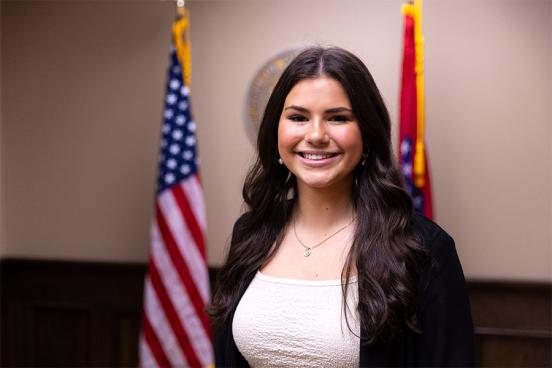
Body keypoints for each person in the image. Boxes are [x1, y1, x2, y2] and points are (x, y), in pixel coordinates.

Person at [208, 46, 475, 367]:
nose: (316, 135)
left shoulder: (422, 248)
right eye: (298, 117)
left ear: (367, 133)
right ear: (276, 131)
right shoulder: (251, 233)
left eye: (337, 118)